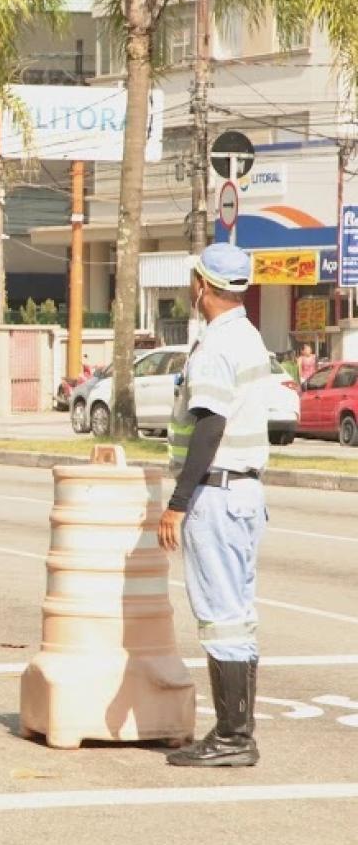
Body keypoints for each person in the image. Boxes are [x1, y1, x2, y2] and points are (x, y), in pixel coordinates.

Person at [158, 243, 269, 768]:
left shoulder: (217, 345)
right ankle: (237, 731)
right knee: (238, 616)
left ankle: (233, 736)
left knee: (220, 614)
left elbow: (210, 425)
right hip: (246, 494)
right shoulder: (248, 335)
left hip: (218, 495)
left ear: (202, 285)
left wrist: (178, 503)